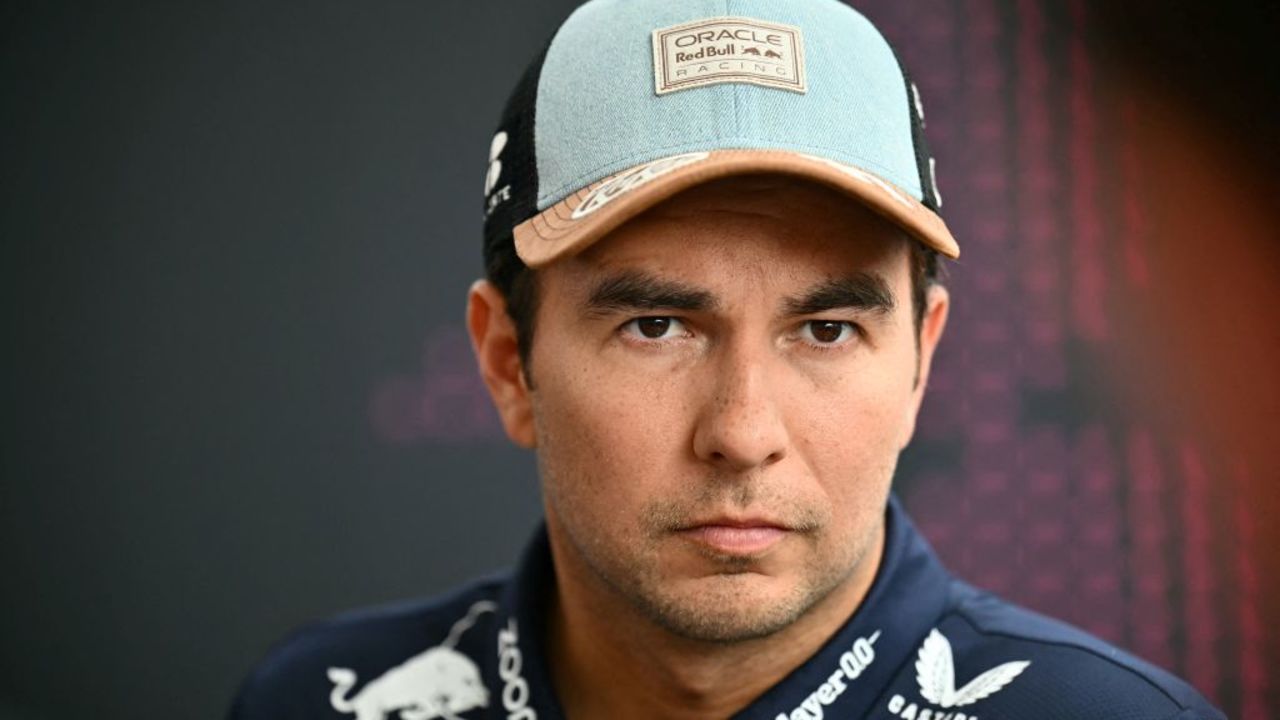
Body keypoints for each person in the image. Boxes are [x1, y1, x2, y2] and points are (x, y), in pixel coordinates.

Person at [229, 1, 1225, 718]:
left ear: (920, 362)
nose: (742, 434)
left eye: (825, 330)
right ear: (506, 362)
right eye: (656, 327)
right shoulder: (324, 701)